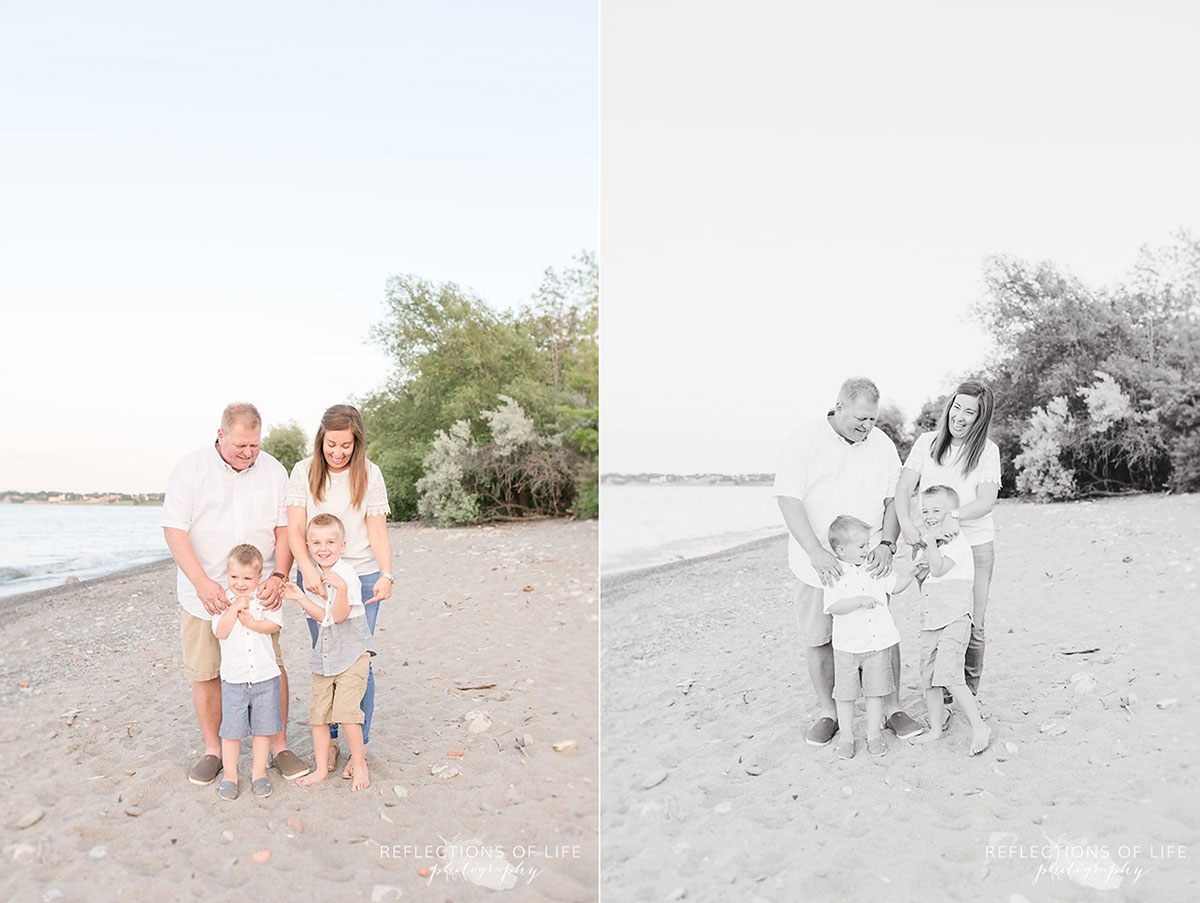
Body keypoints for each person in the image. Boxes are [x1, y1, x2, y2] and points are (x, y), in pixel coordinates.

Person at [163, 402, 309, 786]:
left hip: (259, 590)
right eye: (240, 445)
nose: (248, 453)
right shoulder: (191, 468)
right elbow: (174, 531)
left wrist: (279, 575)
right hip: (204, 592)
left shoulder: (274, 470)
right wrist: (202, 582)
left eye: (254, 446)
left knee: (271, 668)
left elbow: (283, 531)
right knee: (207, 671)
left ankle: (279, 747)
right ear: (220, 435)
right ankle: (214, 750)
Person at [774, 377, 923, 748]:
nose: (867, 426)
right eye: (860, 418)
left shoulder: (882, 444)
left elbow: (894, 499)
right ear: (839, 407)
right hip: (816, 561)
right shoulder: (804, 440)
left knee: (881, 633)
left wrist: (888, 543)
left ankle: (892, 708)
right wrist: (816, 552)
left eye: (872, 420)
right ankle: (829, 713)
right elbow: (788, 500)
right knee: (819, 636)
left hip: (869, 558)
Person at [287, 403, 392, 778]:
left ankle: (357, 747)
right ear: (321, 439)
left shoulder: (369, 473)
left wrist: (386, 574)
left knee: (357, 661)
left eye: (345, 445)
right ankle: (330, 743)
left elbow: (377, 530)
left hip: (361, 578)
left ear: (356, 442)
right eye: (332, 444)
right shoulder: (303, 471)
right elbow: (294, 530)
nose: (338, 452)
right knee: (327, 659)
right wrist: (306, 569)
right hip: (315, 579)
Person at [896, 380, 1001, 696]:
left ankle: (968, 691)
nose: (961, 416)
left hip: (975, 547)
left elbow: (986, 500)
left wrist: (953, 517)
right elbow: (904, 489)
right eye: (957, 407)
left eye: (970, 412)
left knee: (973, 625)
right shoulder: (927, 443)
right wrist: (906, 524)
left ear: (980, 418)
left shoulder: (987, 450)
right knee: (937, 622)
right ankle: (940, 691)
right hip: (932, 549)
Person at [282, 514, 375, 792]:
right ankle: (322, 769)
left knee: (347, 713)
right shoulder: (314, 576)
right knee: (319, 715)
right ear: (308, 547)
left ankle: (359, 763)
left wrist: (342, 589)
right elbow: (322, 615)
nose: (324, 548)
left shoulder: (346, 575)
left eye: (330, 542)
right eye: (317, 543)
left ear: (342, 545)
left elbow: (340, 615)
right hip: (325, 656)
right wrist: (300, 597)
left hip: (351, 656)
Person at [822, 516, 918, 759]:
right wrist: (858, 602)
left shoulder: (873, 567)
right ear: (841, 550)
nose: (868, 549)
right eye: (862, 546)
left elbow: (895, 586)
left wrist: (913, 572)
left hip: (877, 643)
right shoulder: (833, 573)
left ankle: (874, 735)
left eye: (868, 544)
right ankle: (846, 737)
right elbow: (833, 606)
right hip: (847, 647)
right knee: (845, 695)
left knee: (876, 692)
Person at [909, 486, 991, 755]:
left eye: (937, 510)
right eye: (925, 510)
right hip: (931, 621)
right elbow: (925, 576)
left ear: (951, 514)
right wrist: (919, 558)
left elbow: (938, 568)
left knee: (950, 673)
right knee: (929, 677)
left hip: (954, 619)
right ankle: (935, 727)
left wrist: (930, 544)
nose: (930, 516)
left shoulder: (957, 542)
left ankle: (979, 725)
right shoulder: (936, 543)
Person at [212, 544, 284, 800]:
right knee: (231, 730)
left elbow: (275, 624)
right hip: (235, 679)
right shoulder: (222, 603)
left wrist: (253, 622)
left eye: (246, 578)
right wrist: (233, 608)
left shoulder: (265, 600)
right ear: (227, 575)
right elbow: (220, 632)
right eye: (234, 577)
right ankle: (230, 775)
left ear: (258, 578)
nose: (240, 584)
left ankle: (258, 773)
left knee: (263, 729)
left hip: (265, 676)